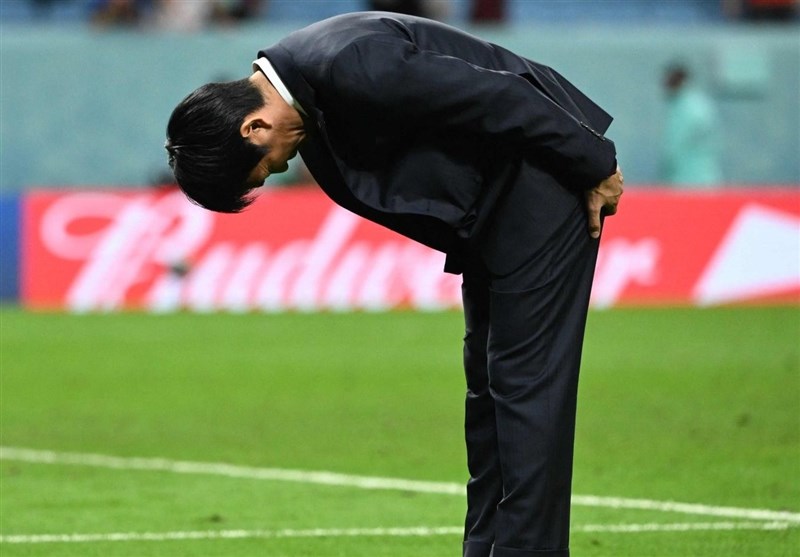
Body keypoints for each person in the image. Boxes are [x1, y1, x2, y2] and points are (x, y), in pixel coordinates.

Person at [166, 12, 623, 557]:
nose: (279, 169)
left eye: (262, 169)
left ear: (254, 128)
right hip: (493, 211)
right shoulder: (311, 90)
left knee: (527, 387)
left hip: (541, 186)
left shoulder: (348, 65)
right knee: (489, 390)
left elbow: (499, 95)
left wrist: (595, 163)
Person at [660, 63, 723, 187]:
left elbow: (673, 150)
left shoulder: (683, 110)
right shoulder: (702, 105)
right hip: (708, 179)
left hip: (686, 182)